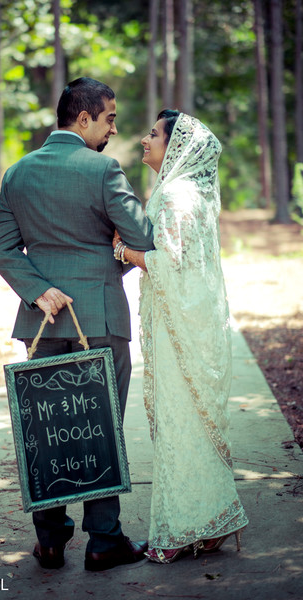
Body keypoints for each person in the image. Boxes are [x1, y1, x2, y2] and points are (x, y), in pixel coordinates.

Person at [0, 77, 154, 571]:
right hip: (100, 316)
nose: (113, 128)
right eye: (109, 118)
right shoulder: (103, 169)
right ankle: (104, 541)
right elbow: (141, 237)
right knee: (100, 428)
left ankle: (52, 541)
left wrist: (40, 290)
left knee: (46, 430)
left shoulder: (17, 173)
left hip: (42, 322)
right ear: (83, 118)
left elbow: (1, 251)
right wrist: (112, 262)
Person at [113, 110, 248, 563]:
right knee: (189, 422)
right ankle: (211, 521)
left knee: (178, 425)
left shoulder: (174, 195)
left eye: (153, 134)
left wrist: (123, 250)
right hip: (188, 321)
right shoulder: (189, 192)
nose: (144, 140)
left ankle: (179, 531)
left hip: (179, 330)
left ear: (176, 146)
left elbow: (170, 264)